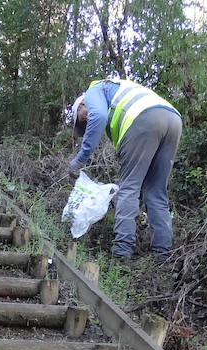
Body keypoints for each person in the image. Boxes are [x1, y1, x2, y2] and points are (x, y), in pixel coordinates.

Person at [66, 77, 182, 258]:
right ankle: (163, 254)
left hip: (143, 119)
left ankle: (122, 251)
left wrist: (80, 159)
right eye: (83, 124)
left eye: (81, 119)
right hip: (173, 119)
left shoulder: (94, 90)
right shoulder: (117, 88)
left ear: (81, 104)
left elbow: (99, 116)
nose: (86, 122)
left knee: (129, 187)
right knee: (156, 191)